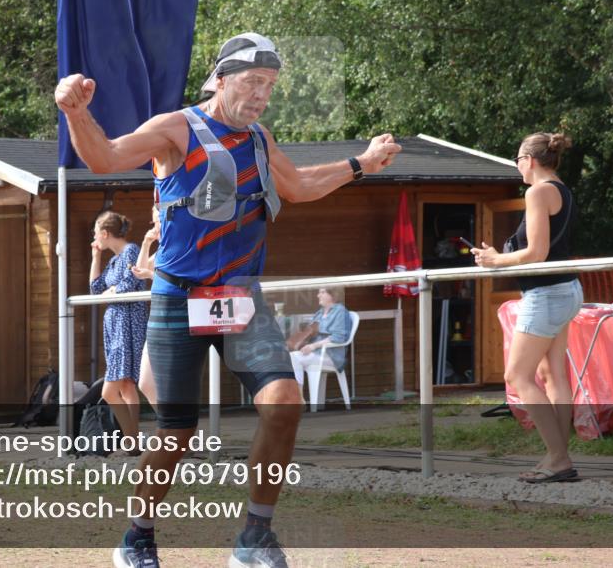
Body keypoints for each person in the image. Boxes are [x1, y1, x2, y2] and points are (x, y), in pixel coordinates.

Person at [55, 32, 400, 568]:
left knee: (284, 403)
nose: (262, 95)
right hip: (177, 297)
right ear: (220, 79)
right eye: (252, 82)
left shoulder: (260, 137)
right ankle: (138, 536)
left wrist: (362, 164)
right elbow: (105, 157)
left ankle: (254, 538)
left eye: (269, 86)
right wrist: (75, 111)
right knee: (176, 434)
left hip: (238, 298)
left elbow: (300, 186)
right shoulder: (177, 128)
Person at [471, 132, 582, 484]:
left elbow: (537, 252)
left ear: (529, 160)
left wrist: (496, 260)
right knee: (554, 376)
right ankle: (557, 456)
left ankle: (559, 458)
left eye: (517, 160)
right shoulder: (562, 189)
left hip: (546, 294)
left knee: (517, 376)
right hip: (566, 290)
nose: (516, 167)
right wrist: (498, 255)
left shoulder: (536, 192)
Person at [90, 211, 147, 447]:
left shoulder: (131, 251)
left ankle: (131, 439)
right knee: (124, 385)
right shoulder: (113, 260)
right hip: (114, 323)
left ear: (105, 233)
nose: (94, 238)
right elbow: (95, 289)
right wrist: (95, 257)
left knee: (114, 389)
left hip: (128, 321)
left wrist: (111, 292)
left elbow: (129, 284)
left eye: (96, 234)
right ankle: (132, 442)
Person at [288, 287, 351, 390]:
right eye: (319, 292)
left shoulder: (340, 311)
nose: (318, 295)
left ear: (332, 295)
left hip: (332, 355)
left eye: (322, 292)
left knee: (294, 358)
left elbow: (338, 337)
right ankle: (297, 397)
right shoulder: (320, 313)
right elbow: (311, 332)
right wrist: (302, 338)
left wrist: (313, 346)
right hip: (317, 353)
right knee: (290, 357)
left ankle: (298, 398)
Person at [130, 205, 161, 407]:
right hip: (158, 317)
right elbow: (140, 270)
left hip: (178, 316)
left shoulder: (180, 245)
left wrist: (150, 275)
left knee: (157, 382)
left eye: (158, 220)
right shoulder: (162, 250)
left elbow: (177, 279)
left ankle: (173, 429)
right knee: (145, 383)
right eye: (154, 221)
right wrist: (146, 242)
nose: (155, 225)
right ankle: (169, 426)